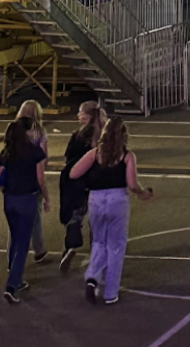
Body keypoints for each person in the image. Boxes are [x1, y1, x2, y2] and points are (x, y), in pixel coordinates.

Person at [69, 117, 153, 305]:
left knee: (99, 241)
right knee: (116, 246)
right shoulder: (127, 156)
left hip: (96, 200)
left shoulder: (94, 154)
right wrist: (142, 193)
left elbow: (73, 172)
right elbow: (131, 184)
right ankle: (110, 293)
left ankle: (92, 276)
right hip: (117, 200)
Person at [0, 117, 49, 303]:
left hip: (9, 199)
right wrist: (47, 198)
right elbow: (41, 178)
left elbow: (1, 179)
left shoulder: (6, 153)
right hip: (27, 199)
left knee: (14, 235)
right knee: (22, 242)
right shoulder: (34, 152)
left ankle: (14, 273)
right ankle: (12, 285)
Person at [59, 101, 106, 274]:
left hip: (78, 181)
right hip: (97, 182)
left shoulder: (78, 136)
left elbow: (69, 158)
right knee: (97, 220)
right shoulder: (104, 134)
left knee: (75, 214)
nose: (77, 115)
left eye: (79, 112)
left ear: (86, 116)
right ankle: (97, 254)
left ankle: (71, 244)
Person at [15, 99, 50, 266]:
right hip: (33, 178)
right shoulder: (40, 132)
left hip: (16, 178)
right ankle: (39, 249)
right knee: (35, 216)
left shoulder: (13, 131)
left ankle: (13, 255)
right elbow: (44, 156)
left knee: (15, 218)